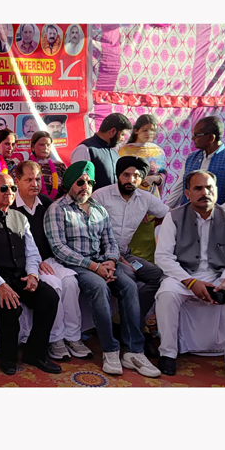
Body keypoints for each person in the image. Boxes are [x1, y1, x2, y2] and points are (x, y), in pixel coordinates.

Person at [45, 161, 161, 377]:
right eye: (80, 182)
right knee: (99, 287)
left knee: (129, 286)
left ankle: (134, 351)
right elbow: (59, 248)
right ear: (70, 183)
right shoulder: (57, 209)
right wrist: (94, 267)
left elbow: (110, 241)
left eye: (90, 183)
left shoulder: (99, 209)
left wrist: (110, 261)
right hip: (77, 265)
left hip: (103, 263)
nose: (86, 187)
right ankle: (110, 350)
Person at [154, 170, 225, 385]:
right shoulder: (174, 217)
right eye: (198, 188)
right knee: (166, 294)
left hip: (222, 275)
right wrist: (190, 282)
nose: (204, 192)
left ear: (216, 191)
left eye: (209, 188)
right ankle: (168, 353)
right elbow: (163, 257)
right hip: (183, 275)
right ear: (187, 194)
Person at [0, 172, 61, 375]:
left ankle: (35, 353)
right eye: (3, 188)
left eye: (12, 188)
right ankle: (8, 358)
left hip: (20, 276)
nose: (9, 192)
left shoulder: (20, 216)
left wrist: (32, 275)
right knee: (10, 305)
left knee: (49, 297)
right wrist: (0, 285)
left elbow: (32, 251)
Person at [11, 161, 91, 360]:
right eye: (29, 180)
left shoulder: (46, 203)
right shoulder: (11, 207)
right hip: (27, 265)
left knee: (70, 282)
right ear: (17, 181)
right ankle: (56, 339)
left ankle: (73, 337)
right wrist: (35, 262)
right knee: (54, 286)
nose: (35, 184)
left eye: (38, 179)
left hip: (50, 259)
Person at [92, 156, 170, 358]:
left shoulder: (145, 198)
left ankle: (128, 322)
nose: (130, 180)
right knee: (130, 277)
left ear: (142, 179)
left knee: (158, 276)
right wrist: (114, 256)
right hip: (103, 255)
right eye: (126, 175)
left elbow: (169, 215)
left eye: (136, 176)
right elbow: (89, 230)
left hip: (125, 254)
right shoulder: (101, 196)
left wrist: (159, 220)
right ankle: (135, 335)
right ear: (118, 175)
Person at [166, 116, 225, 209]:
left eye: (197, 135)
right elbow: (180, 188)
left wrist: (221, 210)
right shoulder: (191, 158)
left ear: (211, 138)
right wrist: (165, 210)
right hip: (189, 214)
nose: (193, 138)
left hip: (217, 216)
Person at [119, 114, 168, 262]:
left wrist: (154, 178)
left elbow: (163, 175)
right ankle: (131, 267)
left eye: (152, 130)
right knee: (131, 236)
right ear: (136, 131)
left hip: (152, 200)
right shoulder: (124, 151)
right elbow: (120, 178)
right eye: (145, 130)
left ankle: (150, 269)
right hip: (130, 201)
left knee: (149, 238)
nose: (149, 134)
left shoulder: (158, 152)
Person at [70, 112, 133, 190]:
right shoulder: (85, 149)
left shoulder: (114, 152)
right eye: (122, 134)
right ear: (113, 131)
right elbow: (79, 184)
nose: (123, 139)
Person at [30, 130, 67, 200]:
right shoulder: (25, 166)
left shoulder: (60, 166)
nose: (45, 147)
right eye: (42, 145)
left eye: (48, 145)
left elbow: (67, 190)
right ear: (33, 146)